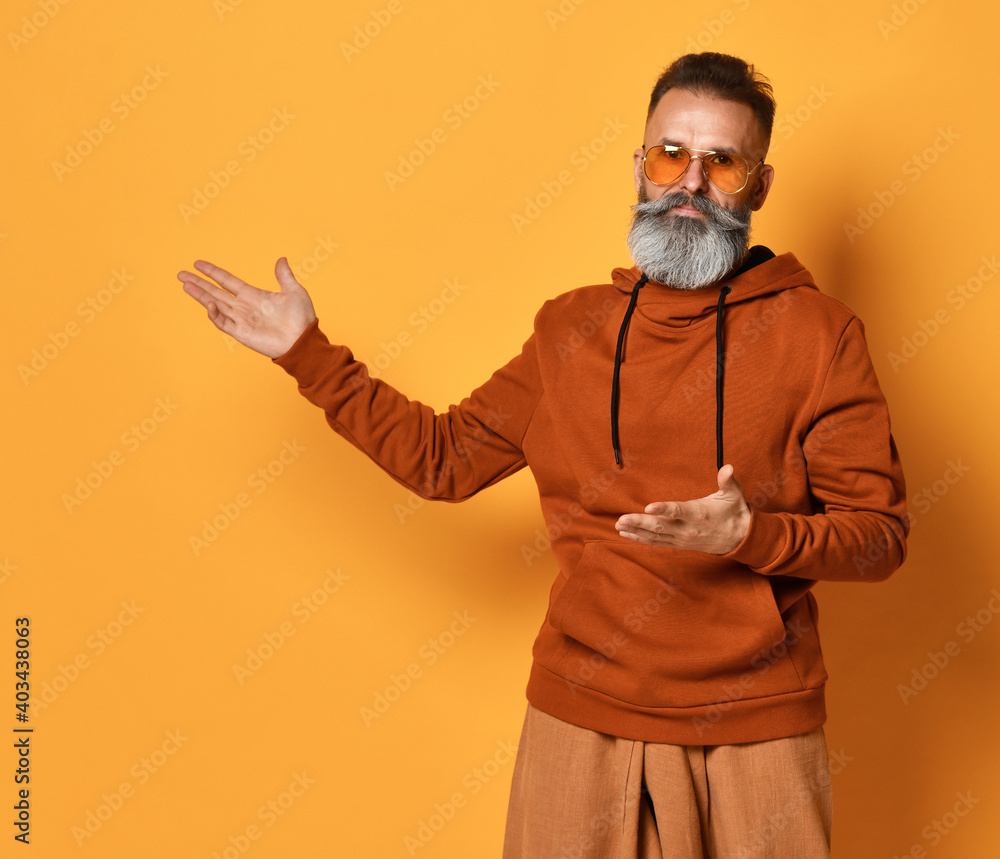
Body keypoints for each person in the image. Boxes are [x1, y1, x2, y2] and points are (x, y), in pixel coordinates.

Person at [179, 52, 908, 858]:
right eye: (670, 155)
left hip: (756, 727)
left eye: (722, 162)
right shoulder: (570, 329)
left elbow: (879, 537)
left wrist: (751, 536)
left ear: (759, 186)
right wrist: (309, 355)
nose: (689, 184)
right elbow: (443, 459)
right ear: (639, 166)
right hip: (580, 713)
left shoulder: (819, 335)